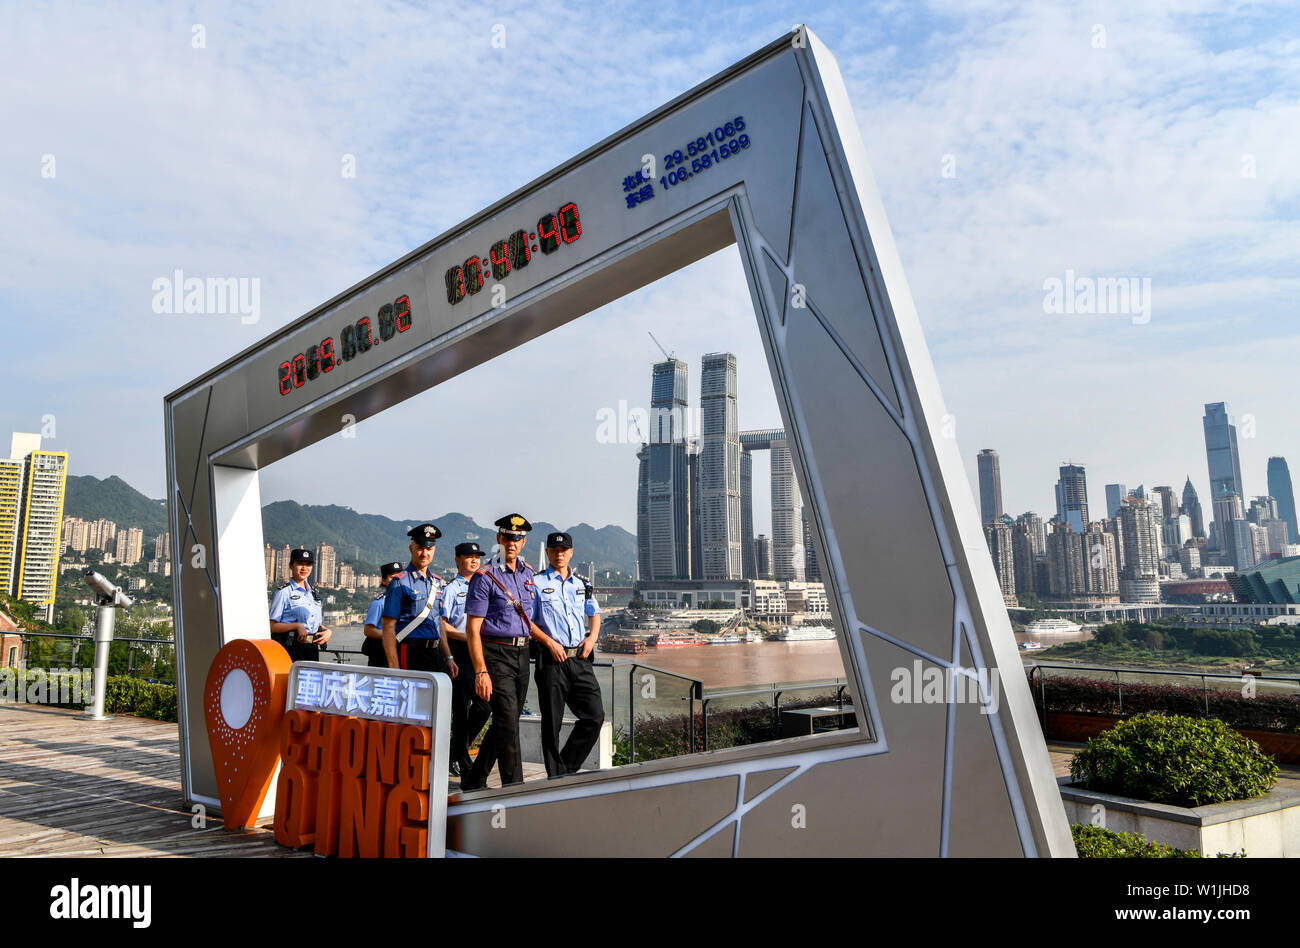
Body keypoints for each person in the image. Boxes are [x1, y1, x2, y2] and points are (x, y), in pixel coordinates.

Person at [464, 513, 566, 789]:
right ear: (499, 539)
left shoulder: (527, 574)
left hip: (522, 655)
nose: (512, 543)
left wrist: (548, 642)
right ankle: (515, 790)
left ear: (524, 542)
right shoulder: (485, 576)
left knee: (504, 721)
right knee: (509, 724)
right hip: (495, 653)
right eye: (508, 537)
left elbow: (527, 621)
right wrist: (480, 671)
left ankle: (474, 780)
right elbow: (472, 630)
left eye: (518, 539)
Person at [531, 532, 604, 778]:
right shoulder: (536, 583)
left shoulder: (582, 584)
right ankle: (555, 775)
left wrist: (591, 639)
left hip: (580, 659)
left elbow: (594, 614)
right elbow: (526, 621)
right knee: (552, 722)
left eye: (563, 550)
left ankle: (567, 766)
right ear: (547, 553)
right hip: (552, 660)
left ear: (571, 552)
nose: (559, 554)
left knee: (595, 716)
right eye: (554, 550)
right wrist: (549, 642)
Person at [441, 541, 494, 786]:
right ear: (457, 560)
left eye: (476, 557)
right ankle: (462, 761)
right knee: (460, 711)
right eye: (468, 557)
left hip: (480, 653)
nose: (473, 561)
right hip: (461, 651)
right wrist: (466, 637)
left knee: (484, 707)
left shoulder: (484, 584)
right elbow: (442, 624)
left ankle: (453, 753)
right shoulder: (452, 589)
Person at [382, 524, 457, 679]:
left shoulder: (437, 582)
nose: (424, 553)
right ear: (411, 548)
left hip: (435, 653)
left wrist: (448, 657)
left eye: (429, 549)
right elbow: (388, 627)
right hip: (410, 652)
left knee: (435, 702)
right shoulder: (400, 582)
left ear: (434, 550)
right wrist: (394, 666)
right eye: (420, 548)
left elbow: (439, 623)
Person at [269, 548, 331, 661]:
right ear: (291, 565)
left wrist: (327, 631)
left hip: (312, 648)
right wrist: (296, 626)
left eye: (308, 564)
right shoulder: (284, 592)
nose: (304, 568)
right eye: (300, 564)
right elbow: (272, 626)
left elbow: (315, 624)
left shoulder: (313, 593)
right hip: (291, 648)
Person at [362, 561, 403, 667]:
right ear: (384, 581)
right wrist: (390, 636)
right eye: (393, 577)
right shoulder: (380, 603)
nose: (397, 580)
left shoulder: (405, 602)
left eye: (400, 577)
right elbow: (368, 630)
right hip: (381, 652)